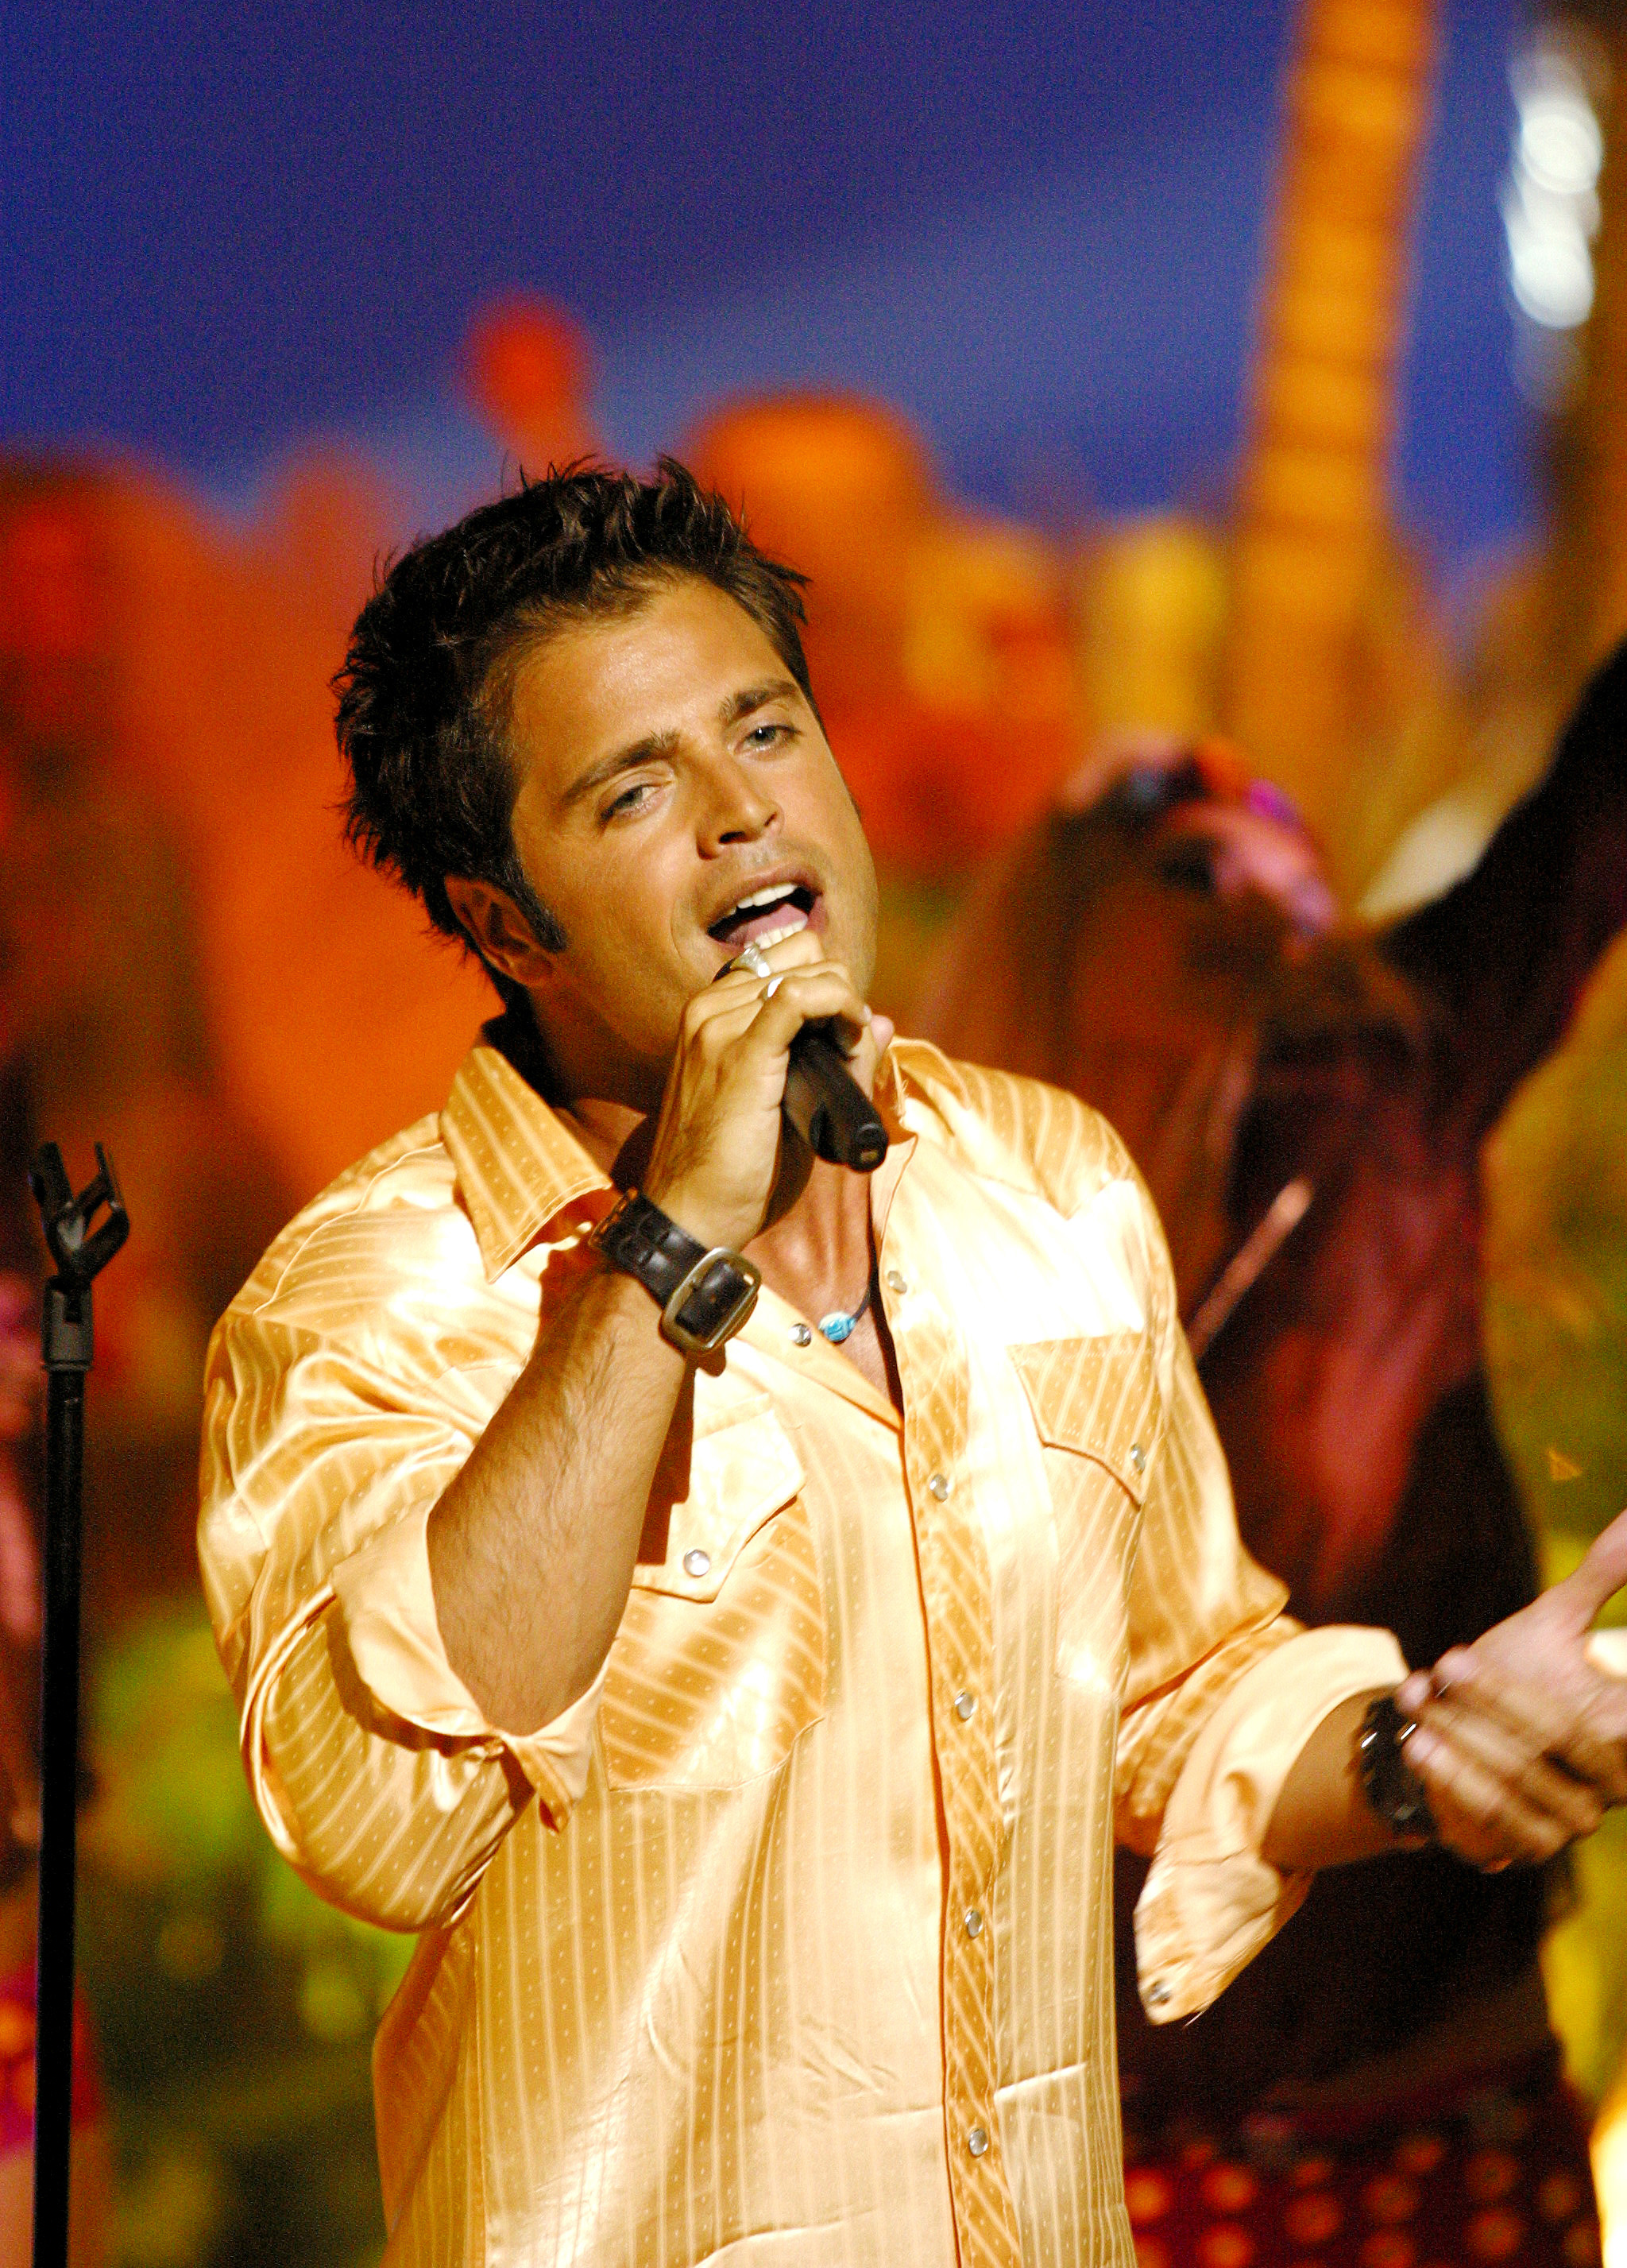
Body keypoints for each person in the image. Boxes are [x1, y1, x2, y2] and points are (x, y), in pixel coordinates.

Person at [198, 466, 1627, 2268]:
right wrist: (665, 1243)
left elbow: (1180, 1691)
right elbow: (382, 1823)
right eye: (634, 790)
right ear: (503, 923)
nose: (737, 818)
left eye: (764, 732)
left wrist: (1428, 1752)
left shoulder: (1046, 1186)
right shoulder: (375, 1299)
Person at [917, 660, 1627, 2266]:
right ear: (1052, 911)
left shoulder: (1384, 1085)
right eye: (1190, 863)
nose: (1260, 896)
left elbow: (1588, 825)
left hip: (1428, 2075)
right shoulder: (926, 1224)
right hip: (1096, 2120)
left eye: (1292, 862)